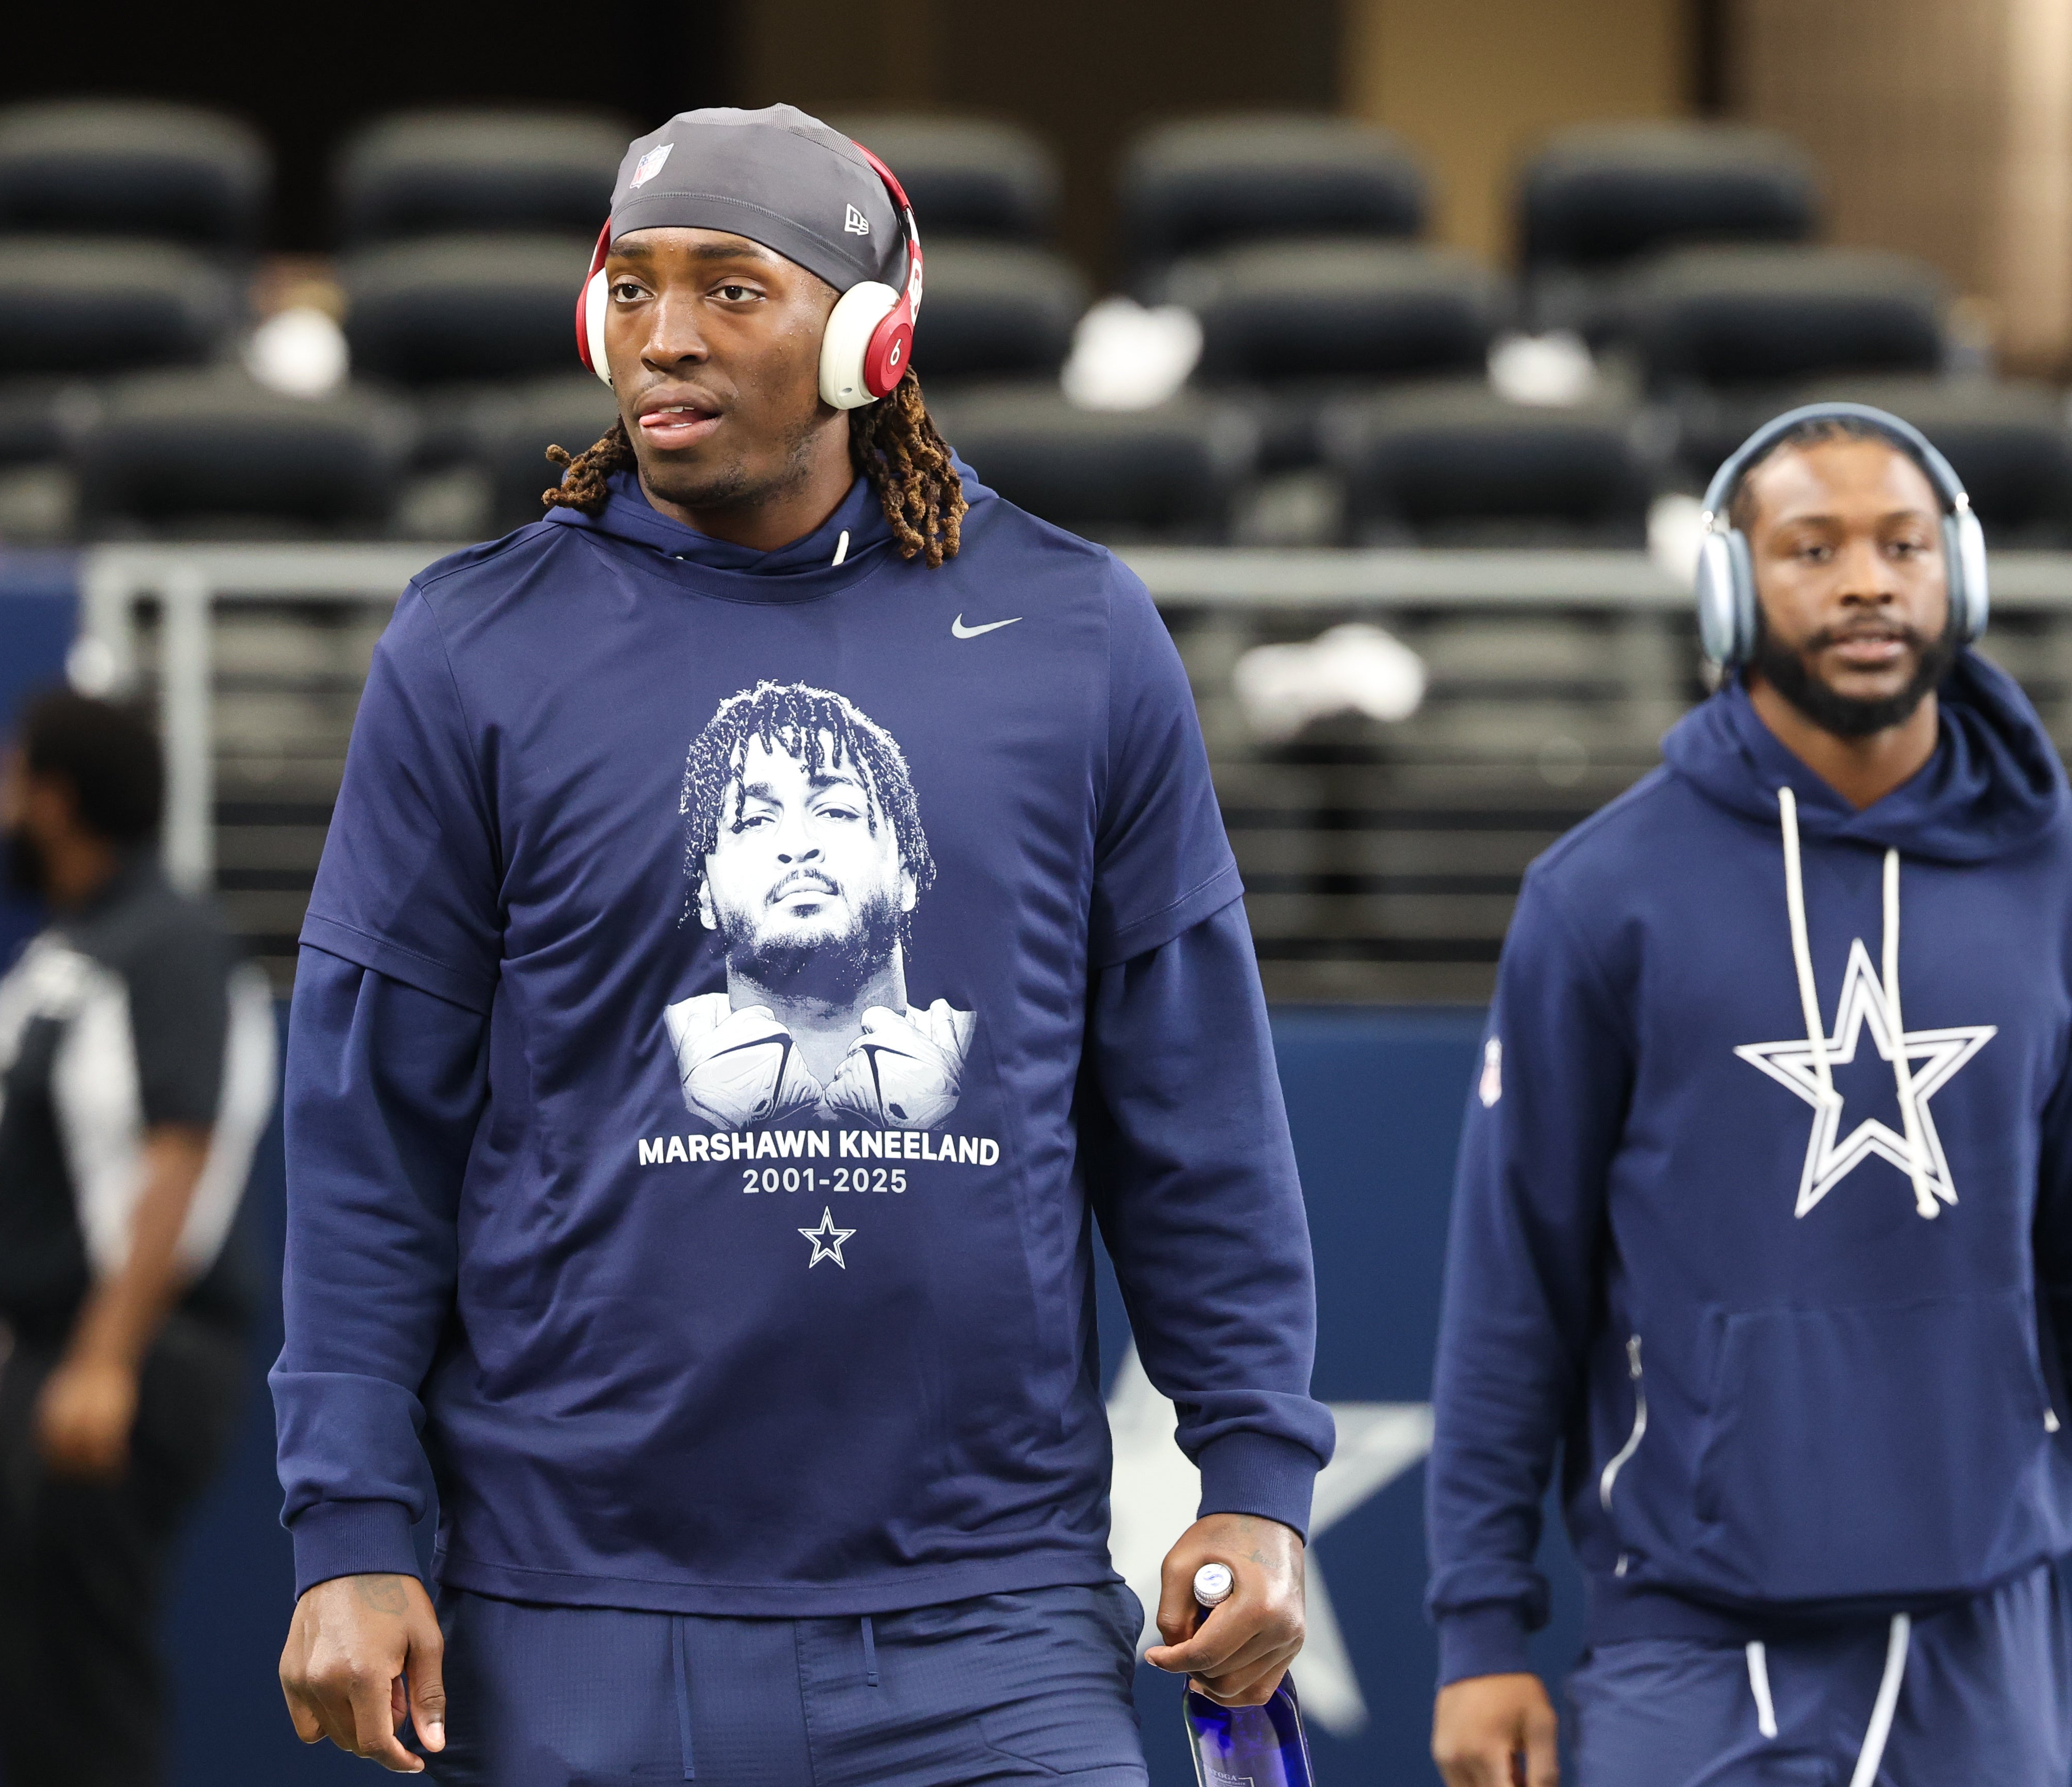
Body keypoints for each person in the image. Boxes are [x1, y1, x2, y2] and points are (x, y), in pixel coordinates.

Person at [271, 105, 1331, 1783]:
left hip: (986, 1622)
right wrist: (349, 1524)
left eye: (728, 288)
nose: (662, 335)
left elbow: (1193, 1112)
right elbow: (364, 1142)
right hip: (571, 1620)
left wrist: (1255, 1476)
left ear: (867, 335)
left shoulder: (1076, 635)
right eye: (629, 288)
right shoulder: (472, 648)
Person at [1426, 404, 2072, 1787]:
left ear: (1956, 575)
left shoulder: (2071, 877)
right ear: (1728, 587)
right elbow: (1513, 1283)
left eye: (1902, 543)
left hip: (1987, 1625)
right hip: (1691, 1627)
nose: (1864, 579)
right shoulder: (1600, 895)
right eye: (1809, 547)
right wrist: (1478, 1627)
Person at [0, 688, 277, 1787]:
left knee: (85, 1688)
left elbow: (181, 1144)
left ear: (57, 800)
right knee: (26, 1681)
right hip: (53, 1351)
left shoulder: (167, 939)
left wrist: (102, 1358)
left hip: (132, 1351)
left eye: (6, 783)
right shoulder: (78, 942)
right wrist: (3, 1362)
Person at [664, 678, 973, 1130]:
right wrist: (699, 1121)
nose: (797, 844)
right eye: (752, 819)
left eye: (835, 811)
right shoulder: (629, 1045)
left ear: (907, 875)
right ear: (706, 896)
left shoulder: (992, 1047)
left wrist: (944, 1120)